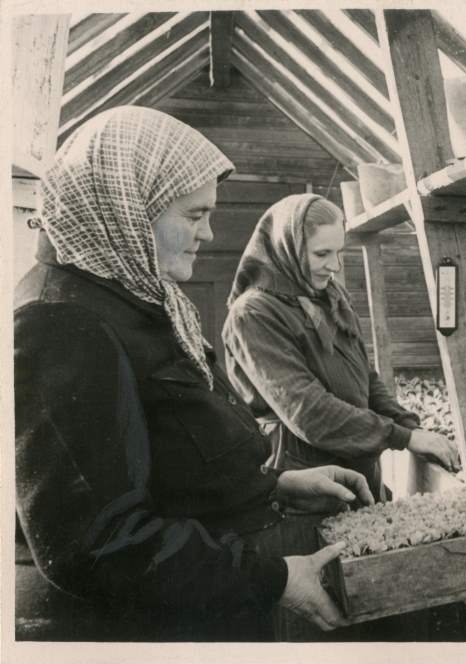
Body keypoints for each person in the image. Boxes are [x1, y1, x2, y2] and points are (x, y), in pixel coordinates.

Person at [13, 106, 373, 642]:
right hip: (137, 633)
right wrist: (272, 578)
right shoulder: (62, 321)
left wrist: (273, 486)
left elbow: (169, 460)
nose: (208, 234)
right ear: (129, 209)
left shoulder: (131, 296)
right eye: (194, 214)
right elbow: (96, 542)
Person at [222, 194, 461, 502]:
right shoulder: (254, 314)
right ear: (288, 248)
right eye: (321, 254)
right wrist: (403, 438)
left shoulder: (329, 296)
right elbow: (309, 411)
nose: (333, 266)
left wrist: (409, 425)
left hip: (357, 463)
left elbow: (366, 376)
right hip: (303, 475)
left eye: (339, 253)